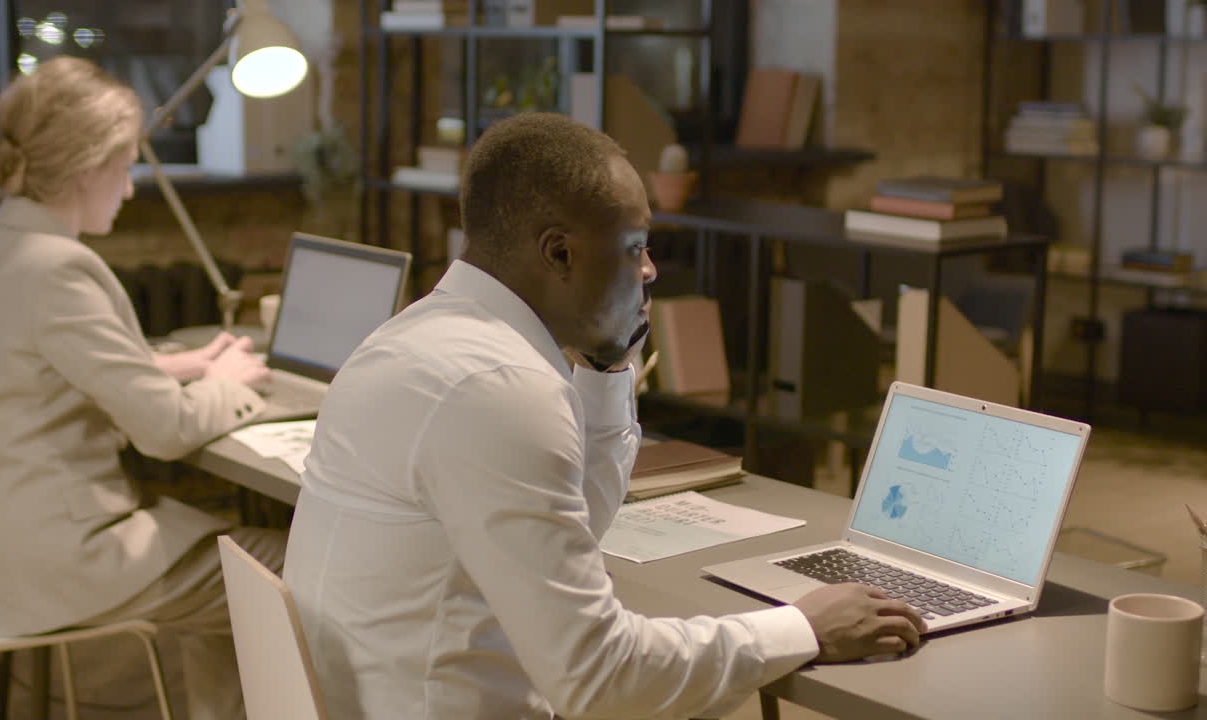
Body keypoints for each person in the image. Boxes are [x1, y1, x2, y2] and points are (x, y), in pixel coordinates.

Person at [283, 112, 926, 719]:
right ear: (560, 253)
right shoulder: (500, 388)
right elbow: (597, 678)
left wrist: (607, 369)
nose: (649, 271)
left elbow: (575, 527)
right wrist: (802, 626)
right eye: (635, 246)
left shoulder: (415, 339)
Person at [0, 56, 284, 720]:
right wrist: (231, 381)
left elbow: (41, 365)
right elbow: (167, 432)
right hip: (53, 562)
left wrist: (179, 366)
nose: (127, 191)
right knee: (271, 570)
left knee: (234, 569)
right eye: (124, 168)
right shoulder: (61, 267)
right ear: (88, 167)